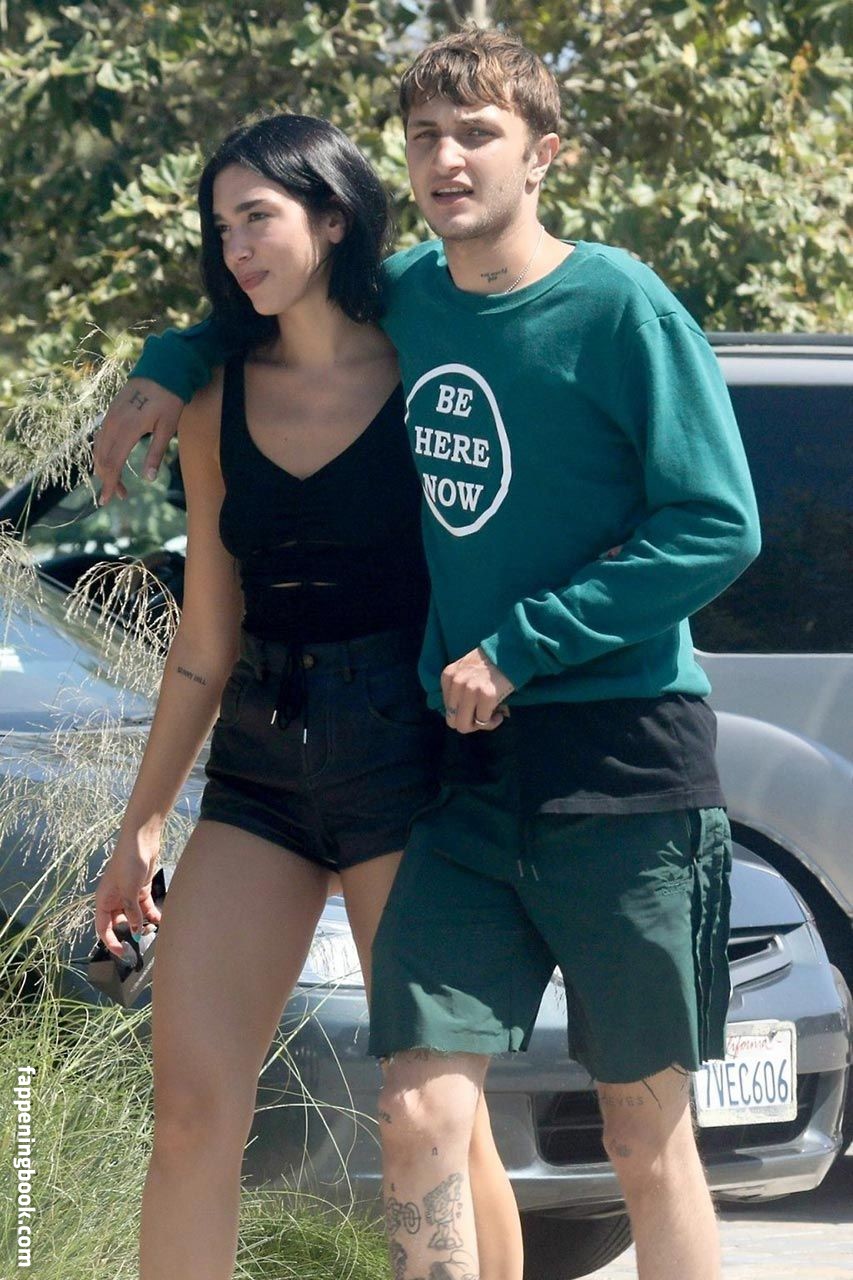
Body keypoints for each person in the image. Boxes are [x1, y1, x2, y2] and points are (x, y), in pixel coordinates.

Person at [94, 27, 761, 1280]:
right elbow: (271, 305)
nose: (446, 159)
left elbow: (717, 522)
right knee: (319, 1112)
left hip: (520, 753)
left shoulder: (544, 310)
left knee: (563, 1131)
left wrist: (520, 645)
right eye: (424, 137)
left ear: (542, 153)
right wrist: (170, 359)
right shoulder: (383, 310)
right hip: (358, 762)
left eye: (477, 135)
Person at [92, 112, 522, 1280]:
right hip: (259, 764)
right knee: (190, 1108)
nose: (235, 247)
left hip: (409, 759)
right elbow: (205, 634)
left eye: (258, 218)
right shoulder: (213, 396)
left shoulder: (427, 366)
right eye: (219, 227)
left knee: (436, 1120)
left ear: (332, 218)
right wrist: (141, 822)